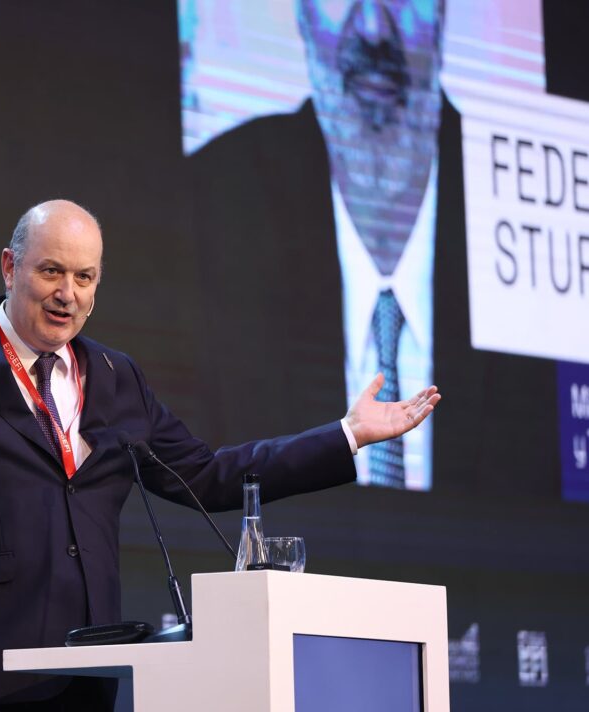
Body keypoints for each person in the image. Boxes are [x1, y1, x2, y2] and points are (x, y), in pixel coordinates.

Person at [0, 199, 439, 711]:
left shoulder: (117, 378)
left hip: (83, 677)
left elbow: (208, 476)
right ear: (9, 267)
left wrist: (346, 435)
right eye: (51, 272)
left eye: (85, 277)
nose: (68, 294)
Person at [188, 0, 556, 493]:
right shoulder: (210, 196)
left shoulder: (524, 202)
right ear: (303, 15)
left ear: (442, 13)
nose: (373, 28)